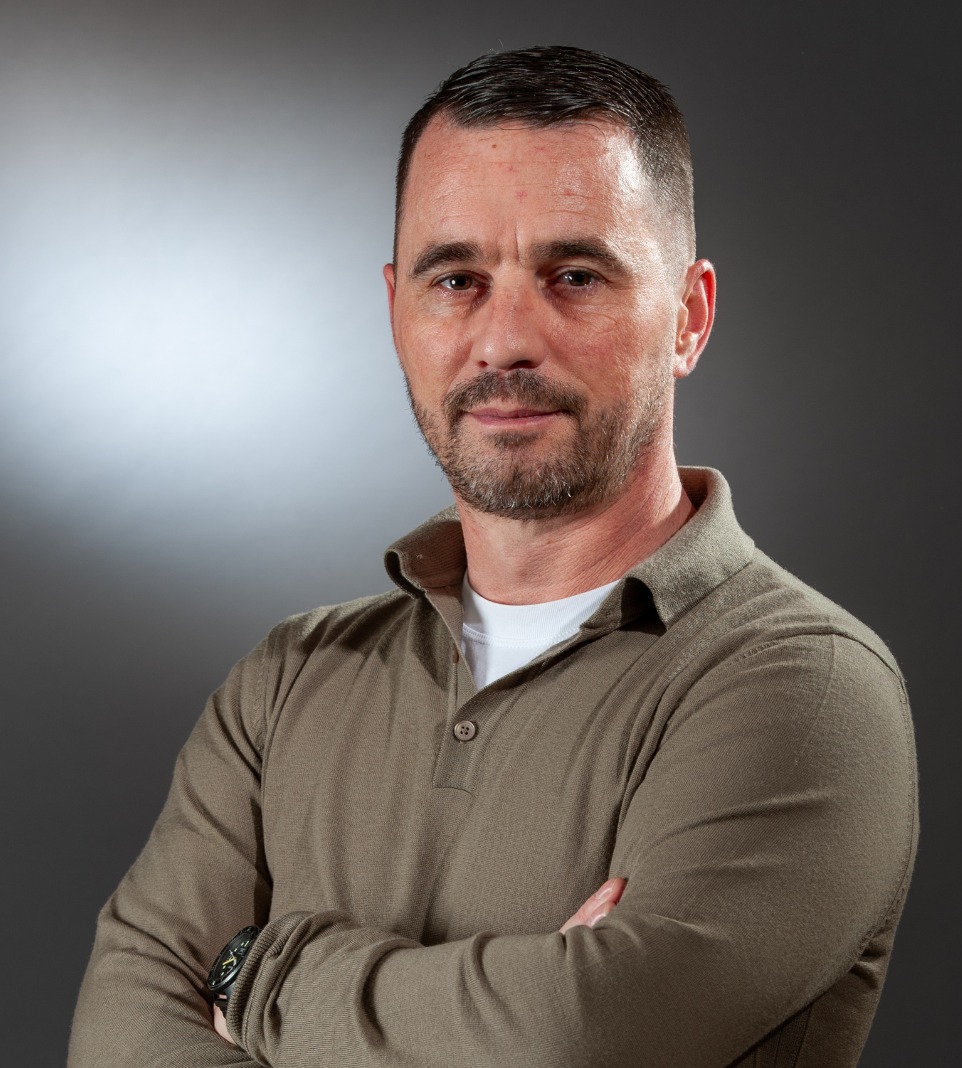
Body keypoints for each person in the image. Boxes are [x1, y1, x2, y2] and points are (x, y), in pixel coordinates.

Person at [68, 45, 918, 1068]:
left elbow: (576, 1034)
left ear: (687, 318)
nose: (504, 338)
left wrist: (257, 977)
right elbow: (119, 1034)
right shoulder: (287, 684)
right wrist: (501, 1010)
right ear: (397, 310)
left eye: (574, 276)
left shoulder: (801, 685)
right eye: (457, 279)